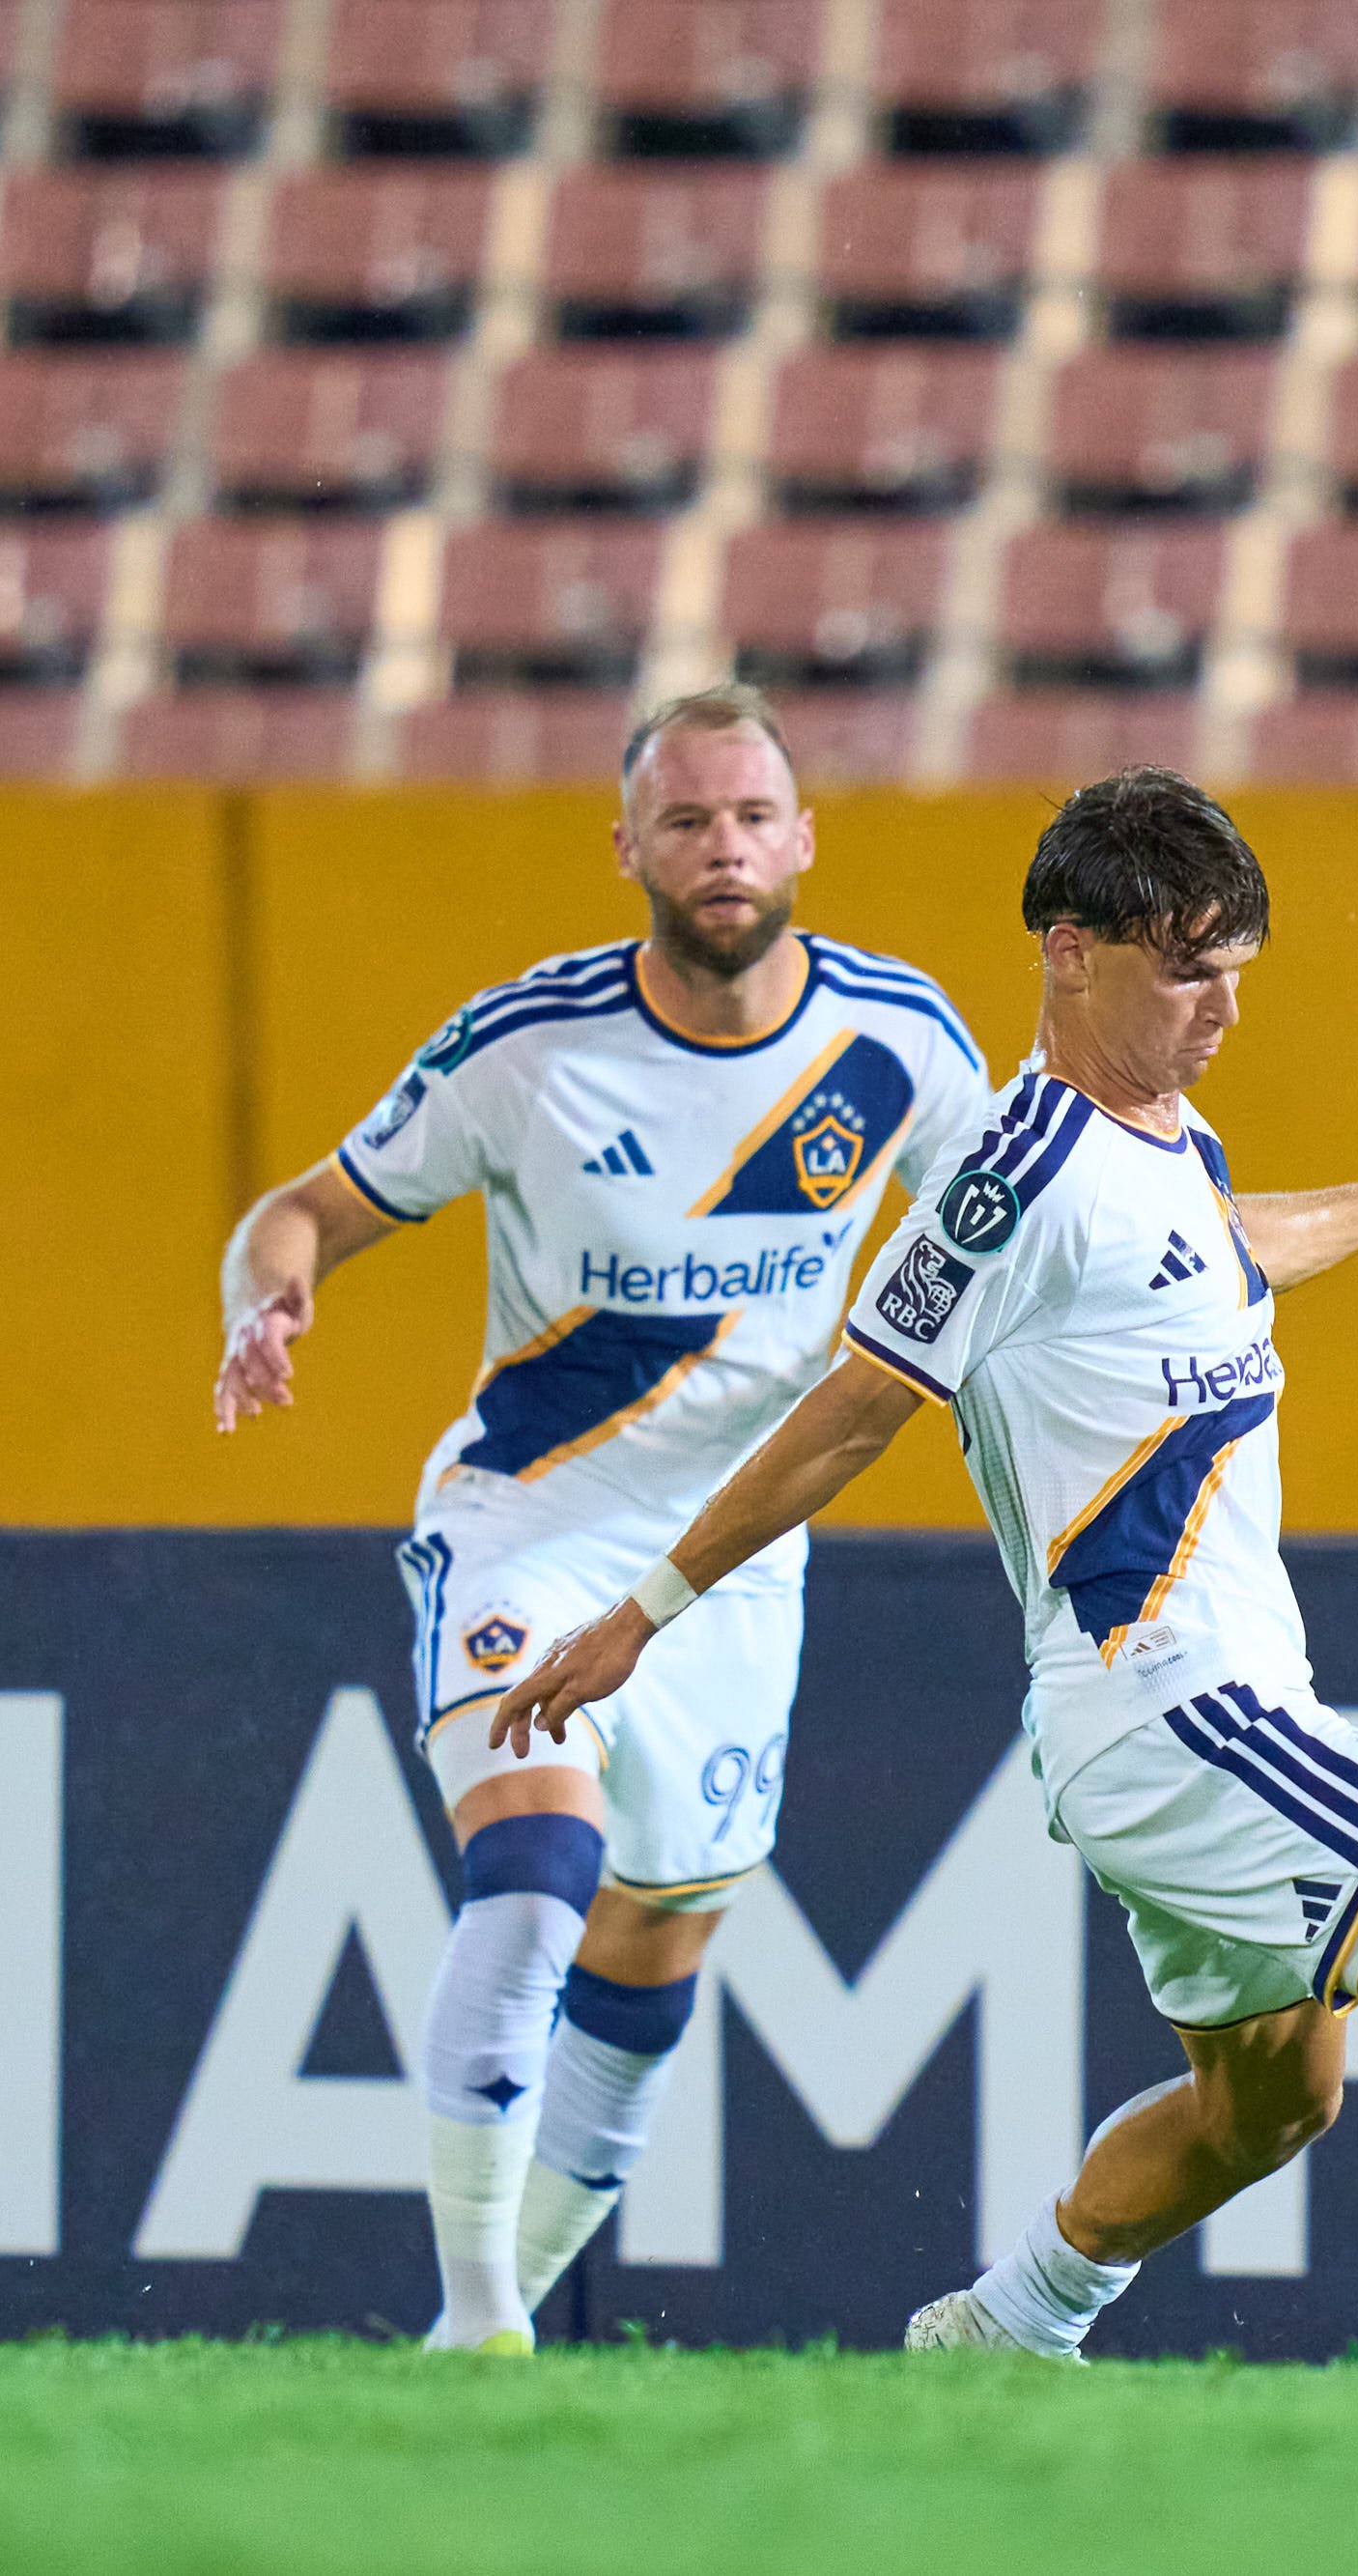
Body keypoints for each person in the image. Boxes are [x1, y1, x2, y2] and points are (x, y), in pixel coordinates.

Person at [494, 767, 1358, 2368]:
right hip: (1175, 1707)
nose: (1220, 1008)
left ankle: (1003, 2330)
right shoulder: (1009, 1177)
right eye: (1186, 971)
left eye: (1236, 969)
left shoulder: (1163, 1135)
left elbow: (1213, 1251)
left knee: (1266, 2108)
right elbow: (852, 1413)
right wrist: (643, 1614)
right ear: (1067, 949)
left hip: (1184, 1712)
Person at [214, 686, 991, 2352]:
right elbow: (302, 1210)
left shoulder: (902, 1041)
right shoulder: (525, 1048)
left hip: (733, 1559)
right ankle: (489, 2326)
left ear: (805, 834)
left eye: (753, 816)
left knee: (655, 1943)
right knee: (540, 1864)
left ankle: (462, 2350)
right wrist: (265, 1305)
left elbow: (1017, 1251)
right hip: (532, 1525)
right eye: (690, 820)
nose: (725, 848)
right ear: (628, 844)